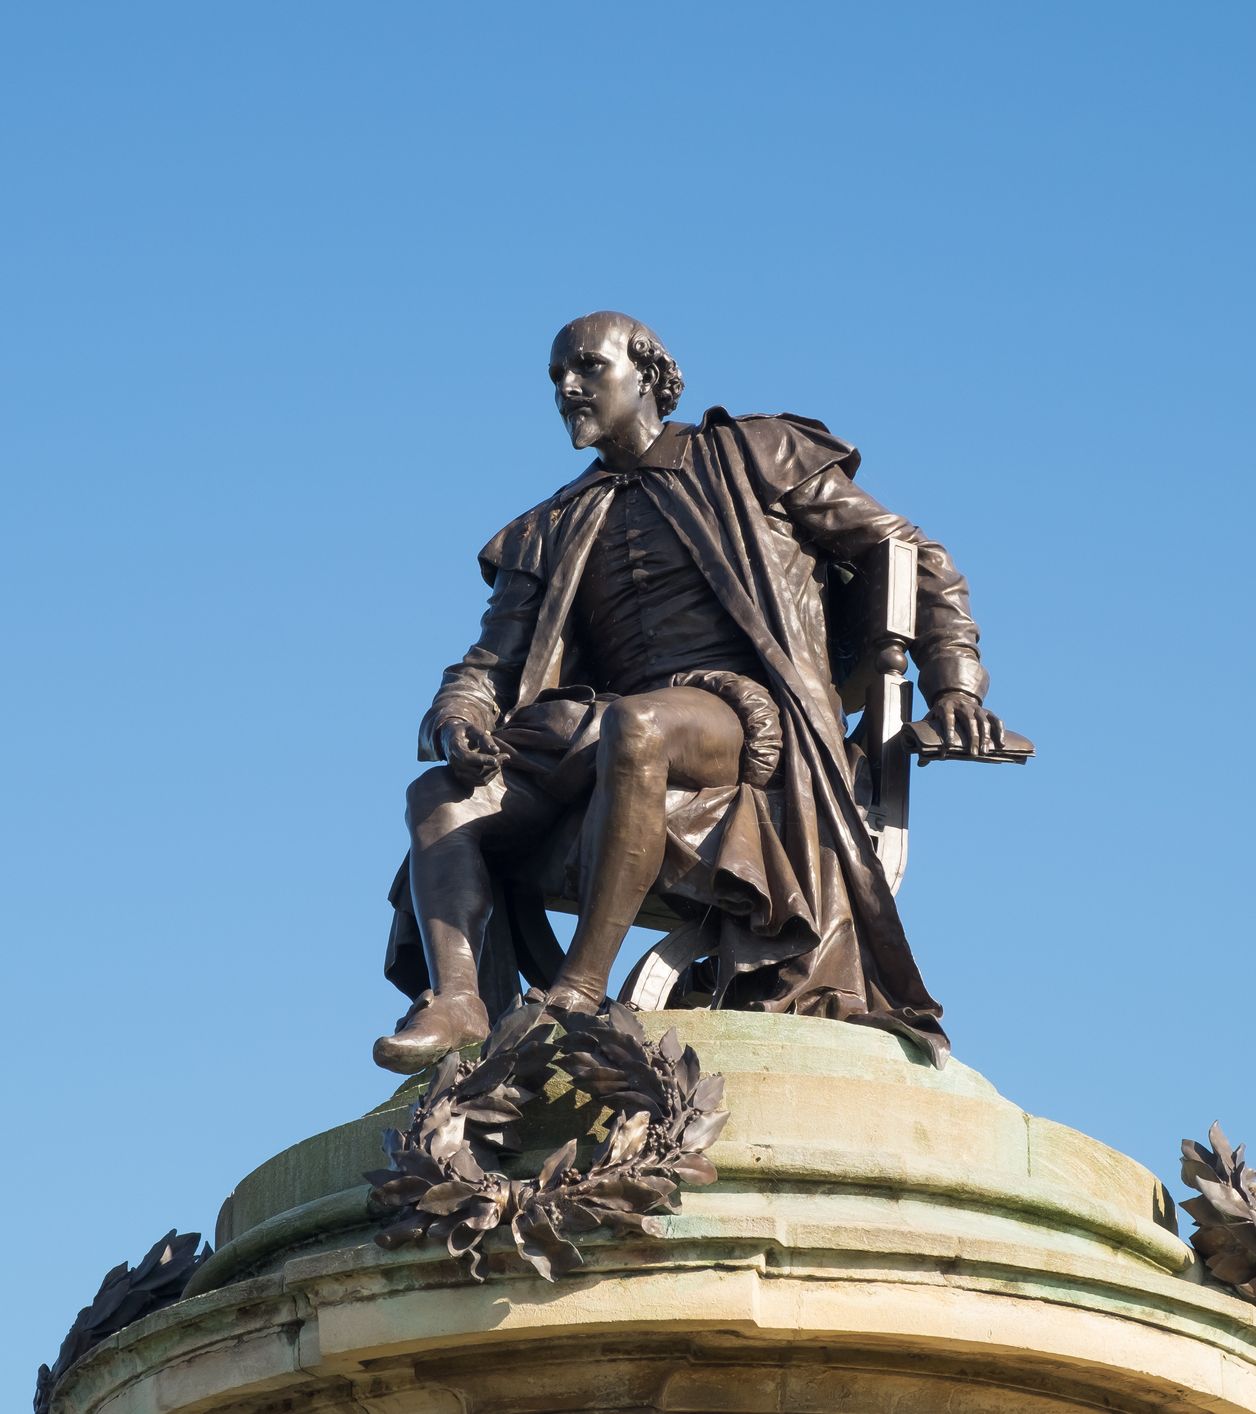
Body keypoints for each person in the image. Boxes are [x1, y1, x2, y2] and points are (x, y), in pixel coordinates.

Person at [374, 311, 1004, 1073]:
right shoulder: (547, 526)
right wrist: (460, 717)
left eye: (586, 368)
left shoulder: (757, 453)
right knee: (440, 796)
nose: (567, 388)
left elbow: (913, 557)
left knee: (635, 728)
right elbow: (488, 661)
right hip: (591, 725)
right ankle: (460, 1000)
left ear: (647, 372)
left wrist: (955, 684)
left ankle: (580, 987)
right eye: (555, 379)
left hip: (741, 712)